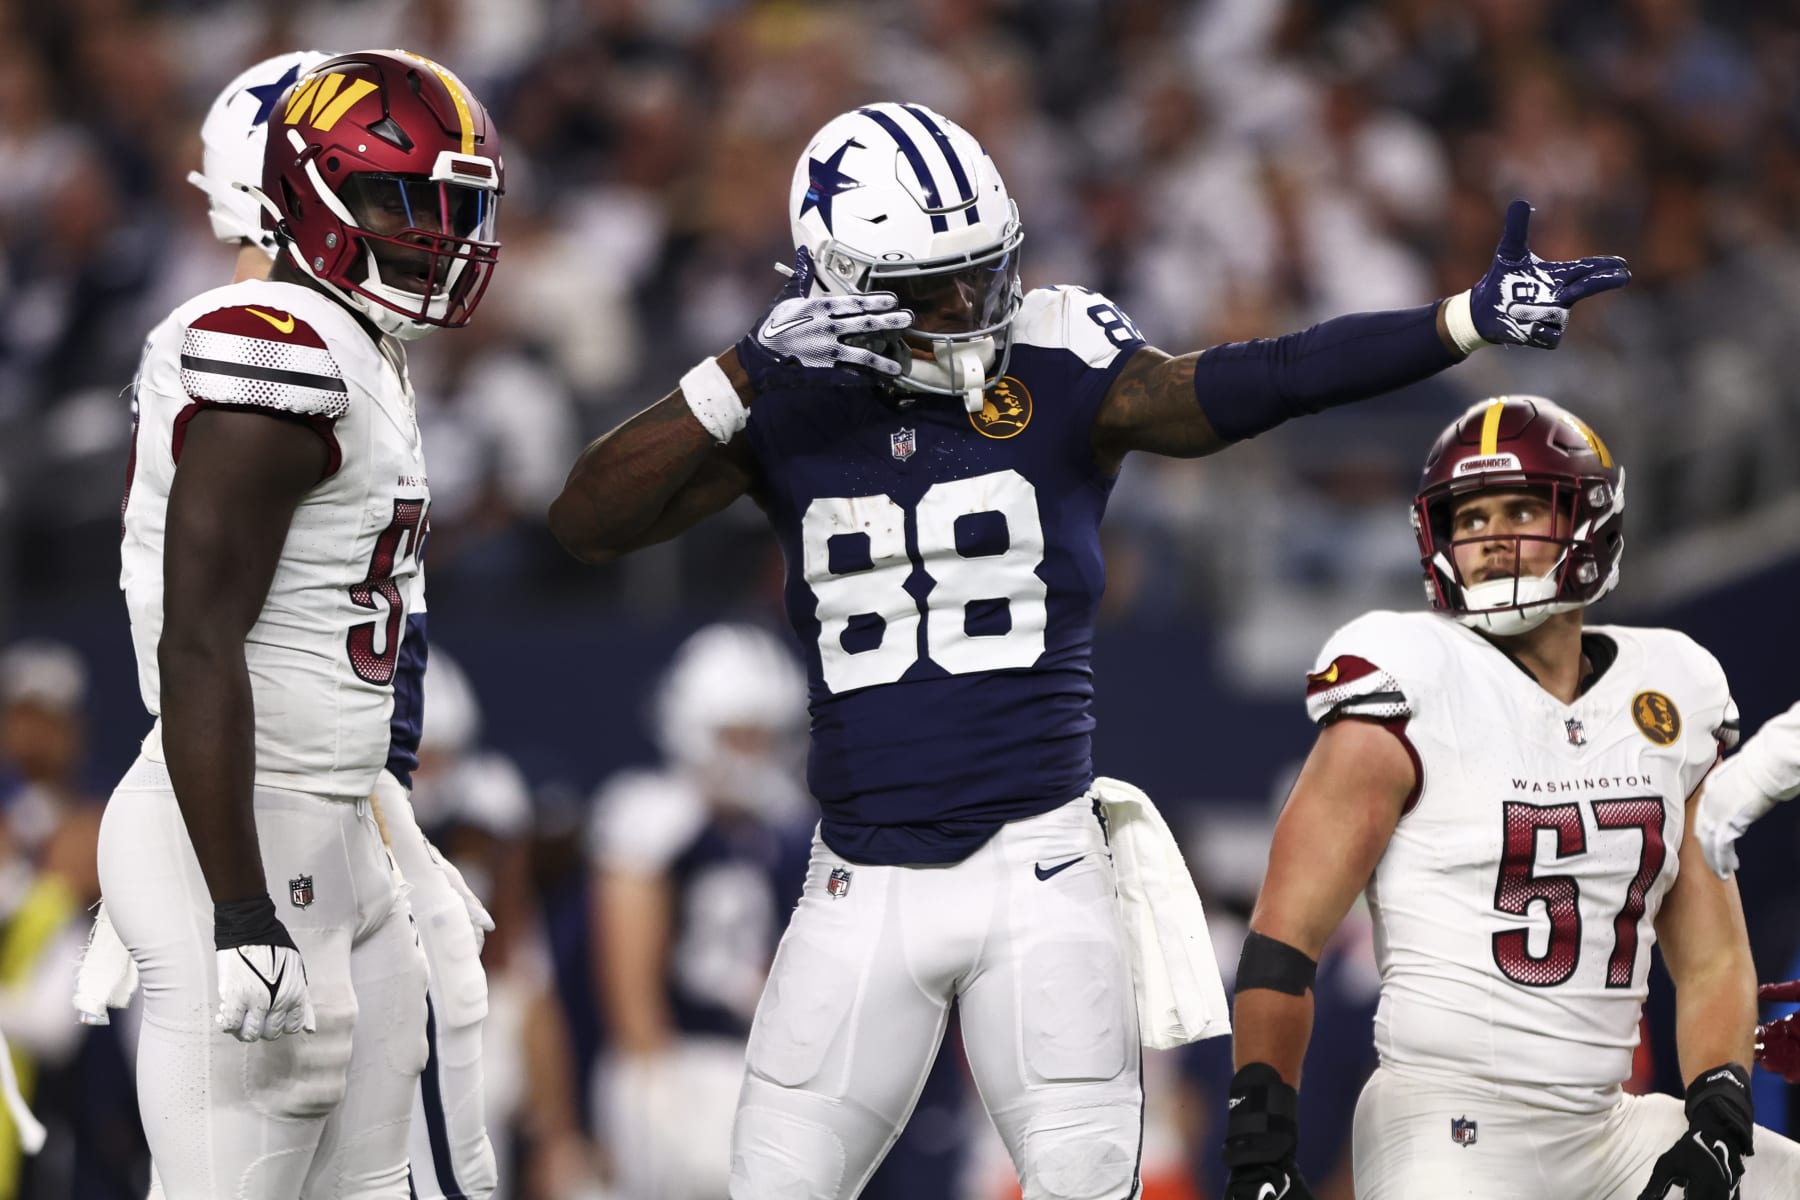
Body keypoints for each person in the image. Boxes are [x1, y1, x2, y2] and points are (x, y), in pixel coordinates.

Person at [547, 101, 1629, 1199]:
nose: (972, 304)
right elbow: (586, 521)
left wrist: (1456, 322)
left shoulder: (1059, 356)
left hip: (1041, 865)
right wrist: (735, 376)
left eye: (984, 270)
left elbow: (1258, 378)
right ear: (840, 284)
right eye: (935, 287)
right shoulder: (787, 389)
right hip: (859, 883)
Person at [95, 50, 503, 1199]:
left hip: (323, 812)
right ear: (308, 195)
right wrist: (232, 906)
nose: (434, 233)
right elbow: (198, 639)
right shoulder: (275, 341)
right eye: (397, 198)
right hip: (244, 822)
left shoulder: (358, 343)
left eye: (450, 207)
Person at [1221, 395, 1800, 1199]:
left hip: (1605, 1128)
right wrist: (1261, 1142)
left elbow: (1710, 957)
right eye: (1471, 517)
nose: (1491, 537)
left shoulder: (1673, 689)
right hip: (1445, 1124)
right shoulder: (1406, 674)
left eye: (1522, 507)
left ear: (1589, 522)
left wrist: (1718, 1116)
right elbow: (1284, 942)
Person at [587, 623, 812, 1200]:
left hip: (761, 1067)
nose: (752, 755)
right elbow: (629, 981)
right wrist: (651, 1080)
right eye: (737, 735)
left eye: (763, 736)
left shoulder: (785, 827)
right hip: (677, 1064)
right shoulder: (654, 817)